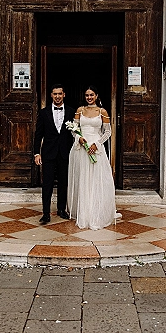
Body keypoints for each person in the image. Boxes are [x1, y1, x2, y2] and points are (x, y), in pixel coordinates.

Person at [67, 85, 116, 230]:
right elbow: (74, 129)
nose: (89, 97)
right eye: (87, 95)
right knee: (83, 179)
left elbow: (108, 132)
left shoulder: (102, 111)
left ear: (96, 96)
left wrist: (97, 144)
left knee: (95, 179)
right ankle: (83, 211)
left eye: (92, 95)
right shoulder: (80, 110)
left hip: (96, 148)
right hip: (81, 148)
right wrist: (79, 138)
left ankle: (96, 211)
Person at [33, 84, 75, 225]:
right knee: (47, 184)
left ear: (64, 95)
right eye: (55, 94)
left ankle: (61, 210)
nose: (57, 96)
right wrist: (36, 153)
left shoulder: (70, 111)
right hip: (48, 153)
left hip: (64, 153)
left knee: (63, 183)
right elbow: (38, 135)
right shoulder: (44, 113)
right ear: (51, 95)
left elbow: (74, 134)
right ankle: (45, 213)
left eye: (60, 94)